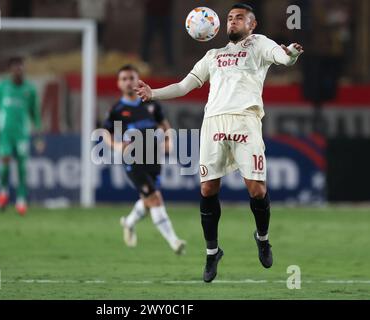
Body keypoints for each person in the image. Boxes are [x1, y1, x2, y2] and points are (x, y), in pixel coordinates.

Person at [135, 3, 303, 282]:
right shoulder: (213, 55)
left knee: (257, 190)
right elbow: (184, 85)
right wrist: (153, 93)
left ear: (252, 24)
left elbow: (282, 57)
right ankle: (212, 253)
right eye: (229, 18)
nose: (233, 21)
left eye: (239, 18)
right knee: (208, 187)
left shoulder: (259, 44)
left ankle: (262, 239)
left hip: (246, 122)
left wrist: (292, 54)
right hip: (213, 123)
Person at [102, 64, 186, 254]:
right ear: (118, 83)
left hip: (153, 156)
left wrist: (168, 140)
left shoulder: (151, 103)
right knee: (155, 198)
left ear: (138, 79)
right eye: (124, 79)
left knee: (148, 200)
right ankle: (174, 242)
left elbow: (164, 124)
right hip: (132, 159)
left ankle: (128, 223)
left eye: (131, 77)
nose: (128, 82)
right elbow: (105, 132)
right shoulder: (116, 109)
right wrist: (115, 145)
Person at [0, 56, 45, 216]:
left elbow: (35, 114)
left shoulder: (29, 89)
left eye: (21, 67)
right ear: (10, 70)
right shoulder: (2, 87)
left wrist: (39, 137)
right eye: (15, 67)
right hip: (4, 133)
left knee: (21, 167)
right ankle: (3, 192)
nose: (18, 70)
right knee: (4, 164)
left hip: (22, 134)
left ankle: (21, 199)